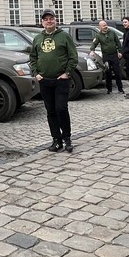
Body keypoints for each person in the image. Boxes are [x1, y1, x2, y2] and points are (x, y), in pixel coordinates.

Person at [30, 9, 78, 153]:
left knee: (61, 109)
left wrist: (67, 73)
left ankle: (67, 138)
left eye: (51, 18)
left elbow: (73, 56)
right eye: (46, 19)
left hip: (61, 80)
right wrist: (36, 73)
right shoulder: (38, 38)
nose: (49, 21)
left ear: (55, 20)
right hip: (45, 80)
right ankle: (56, 140)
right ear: (42, 22)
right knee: (50, 111)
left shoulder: (64, 36)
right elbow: (33, 58)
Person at [90, 19, 124, 94]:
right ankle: (109, 89)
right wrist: (92, 50)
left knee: (117, 72)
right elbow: (94, 44)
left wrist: (120, 51)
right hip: (106, 56)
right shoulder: (98, 35)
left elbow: (117, 42)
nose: (106, 26)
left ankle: (120, 89)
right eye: (104, 25)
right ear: (100, 27)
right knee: (108, 72)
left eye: (106, 25)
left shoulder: (112, 33)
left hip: (114, 55)